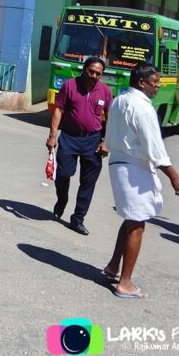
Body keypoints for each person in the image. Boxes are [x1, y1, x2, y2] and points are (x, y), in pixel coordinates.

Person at [102, 63, 179, 299]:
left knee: (132, 219)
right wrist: (174, 176)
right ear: (141, 83)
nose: (158, 86)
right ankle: (125, 283)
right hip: (133, 168)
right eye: (155, 82)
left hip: (119, 163)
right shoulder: (142, 108)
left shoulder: (120, 99)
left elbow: (109, 132)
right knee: (137, 223)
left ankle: (113, 267)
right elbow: (155, 149)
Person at [45, 56, 112, 235]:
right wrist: (53, 136)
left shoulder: (105, 91)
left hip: (93, 141)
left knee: (88, 182)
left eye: (98, 73)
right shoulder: (70, 85)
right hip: (69, 137)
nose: (94, 76)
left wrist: (107, 141)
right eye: (91, 71)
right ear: (84, 69)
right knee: (63, 174)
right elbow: (58, 109)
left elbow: (110, 117)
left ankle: (78, 219)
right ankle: (62, 199)